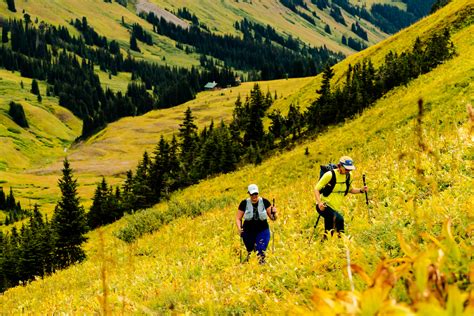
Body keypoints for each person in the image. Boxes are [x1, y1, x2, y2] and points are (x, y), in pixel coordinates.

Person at [314, 156, 368, 236]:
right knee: (339, 219)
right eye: (346, 169)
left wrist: (361, 190)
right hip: (324, 206)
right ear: (340, 166)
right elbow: (316, 189)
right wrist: (319, 203)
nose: (348, 171)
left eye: (350, 169)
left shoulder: (348, 176)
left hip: (334, 208)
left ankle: (325, 244)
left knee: (329, 232)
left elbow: (350, 190)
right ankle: (342, 242)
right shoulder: (329, 175)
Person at [236, 184, 277, 264]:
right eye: (252, 194)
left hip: (262, 229)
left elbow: (273, 218)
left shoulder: (265, 202)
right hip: (248, 231)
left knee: (261, 249)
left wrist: (274, 213)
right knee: (250, 250)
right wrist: (239, 228)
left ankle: (262, 265)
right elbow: (238, 218)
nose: (254, 196)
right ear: (249, 193)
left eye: (256, 194)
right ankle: (251, 265)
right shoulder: (244, 203)